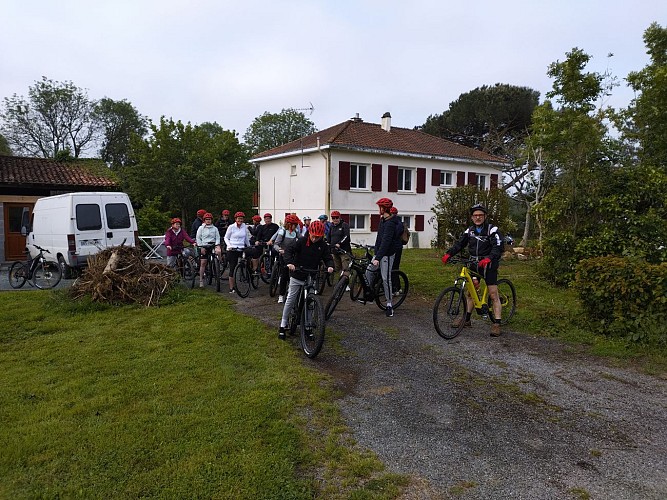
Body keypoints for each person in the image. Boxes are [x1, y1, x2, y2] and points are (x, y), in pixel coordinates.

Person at [441, 203, 504, 336]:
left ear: (485, 216)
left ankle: (497, 323)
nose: (478, 218)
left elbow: (498, 247)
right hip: (474, 263)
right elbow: (460, 243)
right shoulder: (469, 231)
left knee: (493, 294)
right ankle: (467, 319)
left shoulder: (492, 230)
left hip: (488, 264)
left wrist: (490, 258)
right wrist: (449, 253)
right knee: (471, 293)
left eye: (480, 215)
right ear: (472, 217)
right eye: (475, 215)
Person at [278, 220, 334, 340]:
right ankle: (283, 324)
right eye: (313, 236)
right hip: (297, 273)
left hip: (311, 275)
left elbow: (328, 257)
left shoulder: (322, 245)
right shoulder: (301, 241)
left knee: (310, 303)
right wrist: (289, 263)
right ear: (309, 232)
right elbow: (288, 251)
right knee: (291, 299)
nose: (315, 239)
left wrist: (330, 266)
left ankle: (308, 326)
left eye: (318, 237)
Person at [366, 198, 402, 317]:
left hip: (388, 254)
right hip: (380, 252)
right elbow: (379, 238)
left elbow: (386, 242)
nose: (378, 209)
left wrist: (379, 257)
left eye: (380, 207)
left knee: (386, 279)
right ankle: (371, 293)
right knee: (369, 271)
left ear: (384, 208)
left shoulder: (391, 223)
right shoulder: (383, 220)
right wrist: (375, 252)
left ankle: (389, 305)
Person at [272, 214, 300, 303]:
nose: (295, 226)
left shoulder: (296, 232)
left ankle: (292, 293)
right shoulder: (282, 232)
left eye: (296, 224)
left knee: (293, 275)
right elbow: (276, 244)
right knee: (284, 275)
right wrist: (280, 250)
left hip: (292, 256)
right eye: (293, 224)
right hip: (283, 256)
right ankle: (281, 295)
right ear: (288, 224)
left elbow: (302, 240)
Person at [224, 211, 252, 293]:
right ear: (235, 219)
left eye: (242, 219)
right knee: (232, 267)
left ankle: (248, 276)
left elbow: (246, 237)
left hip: (241, 248)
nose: (240, 220)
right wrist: (229, 246)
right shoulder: (231, 227)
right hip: (232, 248)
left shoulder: (244, 227)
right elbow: (226, 238)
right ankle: (231, 287)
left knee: (247, 261)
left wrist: (249, 246)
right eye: (239, 218)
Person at [195, 212, 221, 288]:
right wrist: (201, 247)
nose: (208, 221)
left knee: (218, 253)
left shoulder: (215, 228)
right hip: (204, 246)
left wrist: (217, 245)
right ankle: (201, 280)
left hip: (212, 245)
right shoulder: (201, 228)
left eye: (209, 219)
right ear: (204, 220)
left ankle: (218, 265)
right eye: (207, 219)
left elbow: (218, 237)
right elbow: (198, 238)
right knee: (203, 262)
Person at [328, 210, 351, 279]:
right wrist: (327, 243)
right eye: (333, 218)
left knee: (345, 268)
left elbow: (346, 236)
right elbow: (329, 236)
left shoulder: (344, 225)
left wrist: (339, 243)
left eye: (336, 217)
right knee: (336, 268)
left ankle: (346, 284)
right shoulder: (331, 226)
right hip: (334, 251)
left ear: (339, 217)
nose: (335, 219)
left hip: (343, 250)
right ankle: (336, 283)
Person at [390, 207, 404, 294]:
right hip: (397, 247)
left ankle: (396, 288)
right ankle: (397, 287)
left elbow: (393, 235)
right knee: (394, 267)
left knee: (393, 267)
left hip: (395, 247)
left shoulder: (397, 223)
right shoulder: (398, 222)